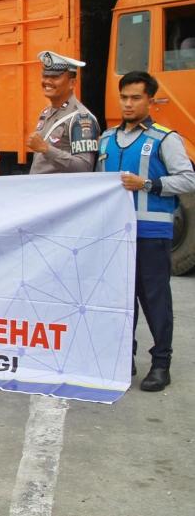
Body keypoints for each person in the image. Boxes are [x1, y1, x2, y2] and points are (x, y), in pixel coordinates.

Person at [97, 71, 195, 391]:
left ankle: (161, 363)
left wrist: (148, 184)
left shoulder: (165, 139)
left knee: (154, 299)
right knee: (120, 300)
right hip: (115, 235)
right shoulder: (106, 139)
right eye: (124, 97)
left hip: (152, 233)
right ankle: (124, 358)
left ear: (150, 101)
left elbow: (188, 179)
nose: (128, 103)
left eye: (136, 98)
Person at [28, 50, 99, 174]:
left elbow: (84, 167)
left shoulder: (81, 118)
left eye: (55, 77)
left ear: (72, 83)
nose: (47, 81)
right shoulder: (46, 113)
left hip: (60, 187)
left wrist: (46, 149)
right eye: (45, 76)